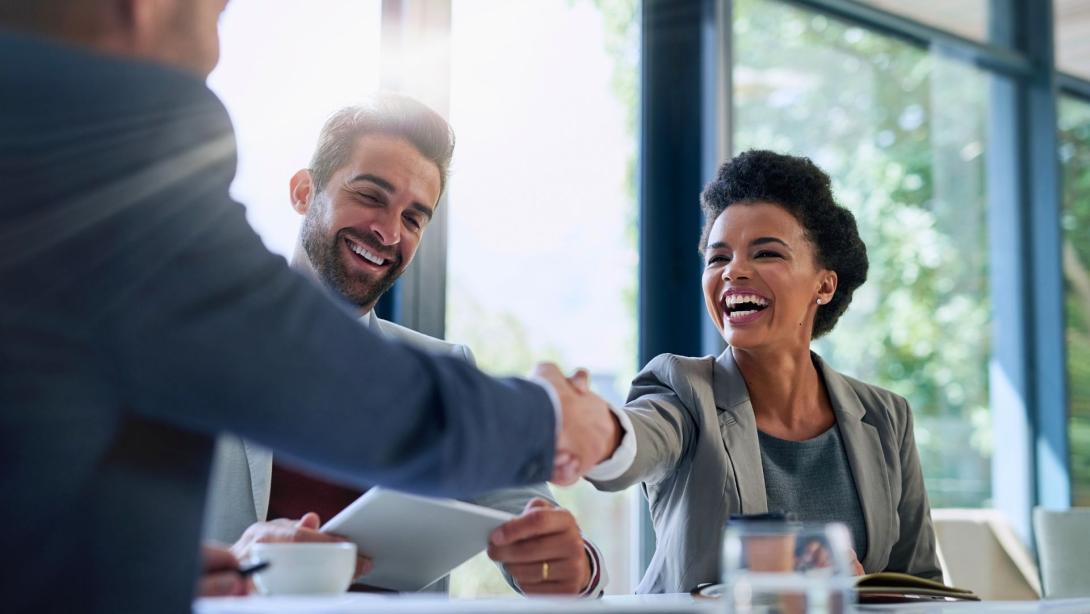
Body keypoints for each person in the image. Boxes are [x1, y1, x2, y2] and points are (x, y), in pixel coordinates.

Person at [0, 1, 617, 611]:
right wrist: (550, 416)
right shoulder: (112, 153)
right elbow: (308, 370)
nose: (388, 230)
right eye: (216, 7)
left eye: (413, 217)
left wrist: (174, 569)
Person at [203, 99, 607, 597]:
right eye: (372, 195)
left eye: (414, 218)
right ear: (305, 192)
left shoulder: (446, 370)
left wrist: (573, 566)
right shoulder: (201, 340)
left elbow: (534, 519)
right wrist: (240, 561)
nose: (389, 232)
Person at [587, 150, 942, 593]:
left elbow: (921, 586)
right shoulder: (682, 391)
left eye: (766, 253)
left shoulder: (887, 416)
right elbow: (632, 443)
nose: (734, 271)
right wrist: (589, 428)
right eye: (718, 259)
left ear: (824, 284)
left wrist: (859, 589)